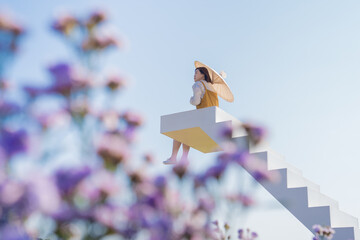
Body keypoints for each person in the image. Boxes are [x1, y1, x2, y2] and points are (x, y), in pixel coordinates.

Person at [163, 66, 219, 165]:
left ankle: (174, 157)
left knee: (178, 129)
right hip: (213, 117)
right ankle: (183, 159)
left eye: (196, 73)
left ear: (203, 75)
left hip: (203, 117)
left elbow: (196, 101)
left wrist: (191, 99)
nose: (194, 75)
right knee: (187, 131)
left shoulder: (197, 84)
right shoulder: (213, 88)